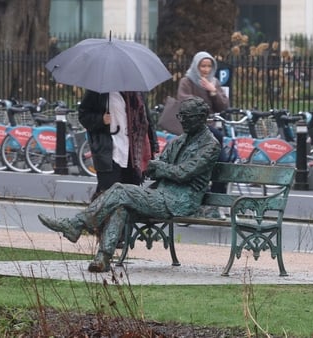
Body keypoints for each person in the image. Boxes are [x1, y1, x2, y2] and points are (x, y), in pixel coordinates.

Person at [38, 96, 221, 272]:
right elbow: (152, 168)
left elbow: (183, 173)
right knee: (121, 207)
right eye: (180, 116)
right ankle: (102, 258)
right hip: (162, 194)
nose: (182, 121)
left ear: (201, 118)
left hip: (181, 201)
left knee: (119, 190)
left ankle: (75, 225)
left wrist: (163, 168)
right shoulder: (179, 141)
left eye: (186, 118)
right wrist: (164, 168)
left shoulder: (210, 145)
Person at [78, 90, 158, 201]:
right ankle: (96, 216)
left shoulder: (136, 92)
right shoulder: (99, 91)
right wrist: (101, 120)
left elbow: (147, 120)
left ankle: (96, 216)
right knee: (108, 196)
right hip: (108, 151)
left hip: (132, 154)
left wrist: (154, 144)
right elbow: (83, 115)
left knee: (128, 198)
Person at [177, 51, 229, 218]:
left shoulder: (214, 82)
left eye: (209, 66)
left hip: (211, 128)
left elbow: (223, 106)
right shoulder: (187, 81)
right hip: (195, 129)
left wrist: (213, 91)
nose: (206, 69)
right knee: (217, 139)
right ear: (196, 66)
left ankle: (215, 201)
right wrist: (202, 105)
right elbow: (183, 100)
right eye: (202, 66)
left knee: (223, 161)